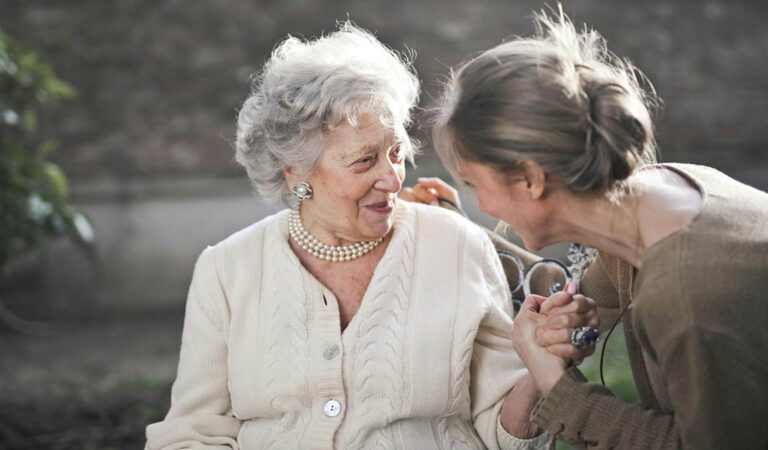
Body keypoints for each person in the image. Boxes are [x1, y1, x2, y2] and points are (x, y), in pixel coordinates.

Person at [145, 23, 599, 449]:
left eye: (396, 153)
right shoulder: (227, 269)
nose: (392, 178)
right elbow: (192, 433)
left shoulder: (458, 246)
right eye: (365, 161)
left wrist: (542, 365)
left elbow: (502, 431)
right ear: (295, 172)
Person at [421, 7, 768, 449]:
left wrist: (557, 385)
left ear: (530, 179)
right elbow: (586, 295)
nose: (481, 203)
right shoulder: (657, 194)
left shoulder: (686, 295)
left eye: (473, 183)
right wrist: (572, 313)